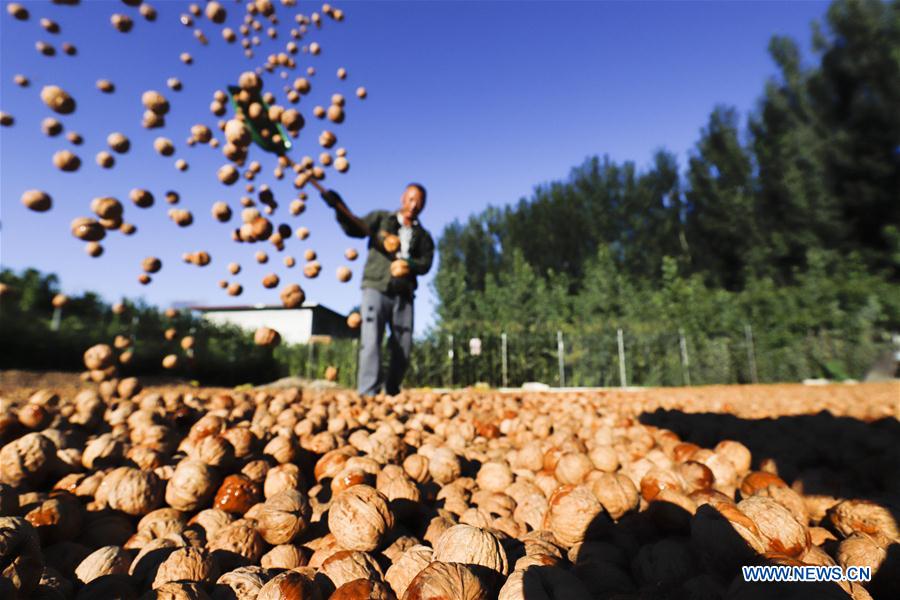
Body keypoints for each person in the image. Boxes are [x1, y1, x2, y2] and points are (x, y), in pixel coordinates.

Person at [312, 180, 435, 397]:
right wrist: (338, 207)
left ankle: (392, 391)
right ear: (402, 199)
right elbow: (355, 227)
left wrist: (409, 266)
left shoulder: (423, 236)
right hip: (375, 287)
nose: (414, 205)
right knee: (371, 340)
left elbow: (425, 263)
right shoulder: (381, 219)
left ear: (423, 206)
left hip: (404, 293)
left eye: (419, 202)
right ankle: (368, 394)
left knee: (403, 345)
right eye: (411, 198)